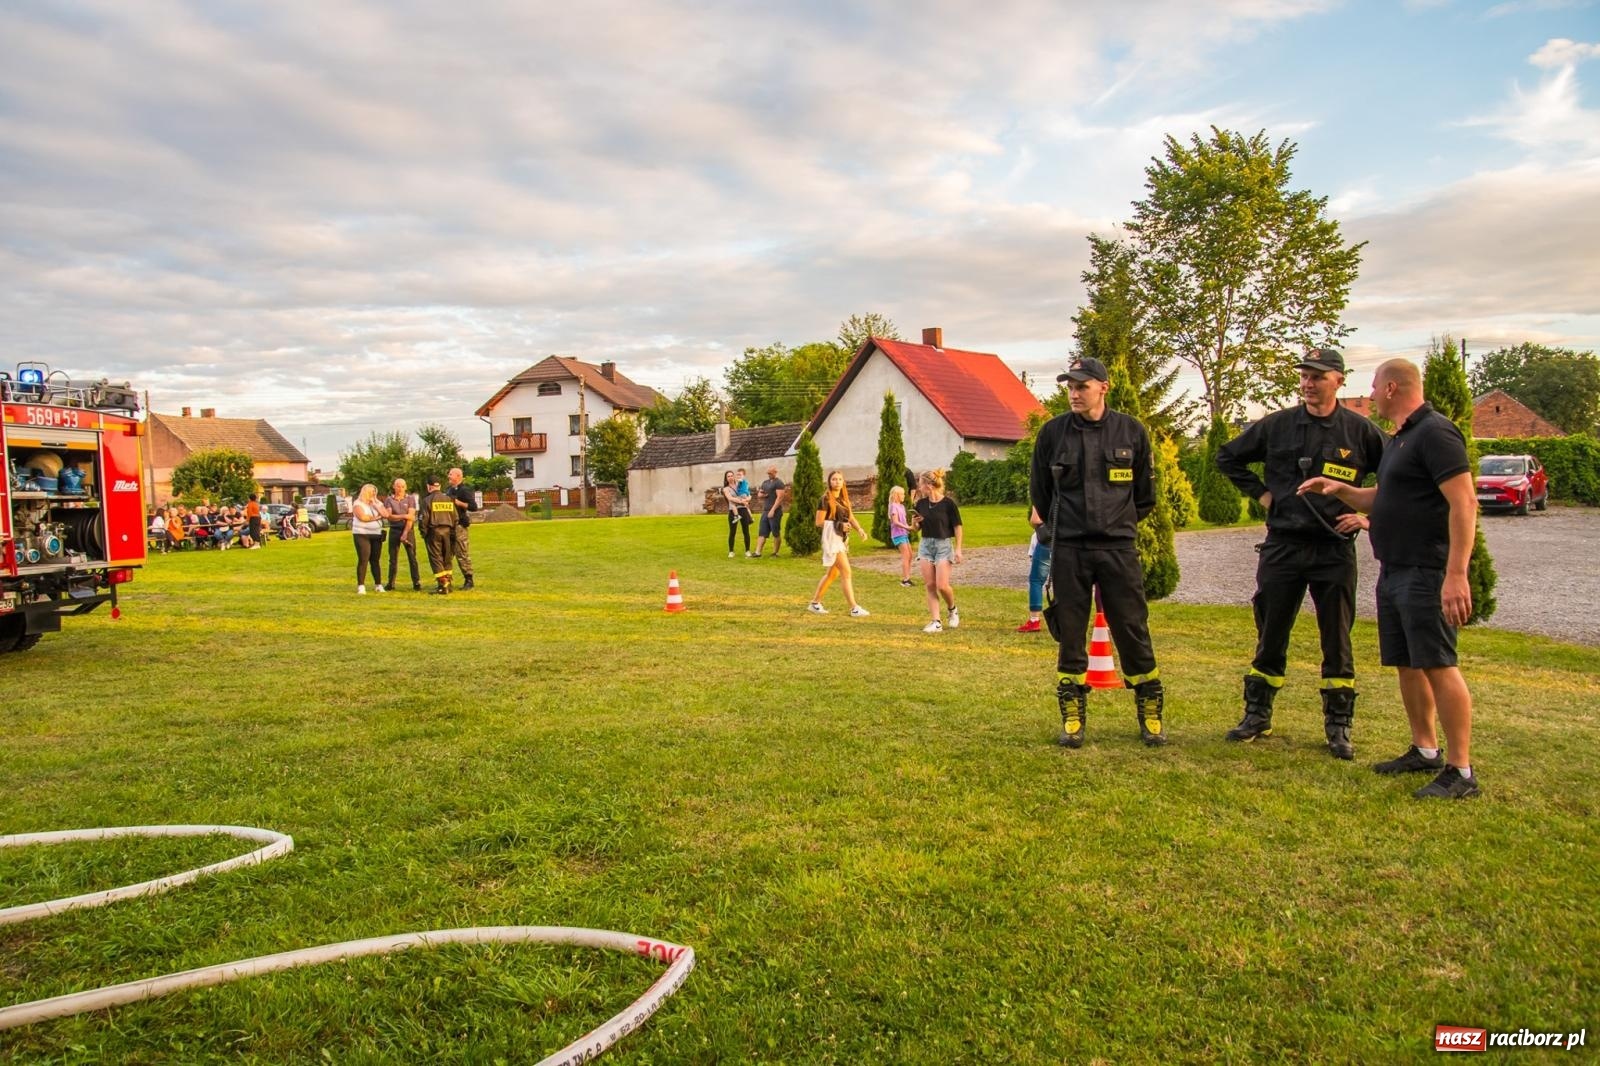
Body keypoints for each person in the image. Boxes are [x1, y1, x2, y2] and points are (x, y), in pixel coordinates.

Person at [1299, 358, 1482, 799]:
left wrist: (1455, 574)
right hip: (1395, 569)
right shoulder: (1403, 439)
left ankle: (1461, 771)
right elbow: (1385, 498)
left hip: (1426, 571)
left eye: (1376, 387)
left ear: (1394, 387)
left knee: (1439, 664)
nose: (1372, 394)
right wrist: (1339, 488)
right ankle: (1425, 748)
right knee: (1408, 663)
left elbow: (1465, 502)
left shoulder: (1436, 433)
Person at [1215, 348, 1387, 759]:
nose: (1309, 383)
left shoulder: (1360, 432)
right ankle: (1257, 715)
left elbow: (1398, 480)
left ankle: (1338, 726)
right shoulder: (1277, 426)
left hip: (1334, 550)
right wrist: (1261, 493)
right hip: (1283, 546)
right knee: (1271, 633)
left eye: (1318, 376)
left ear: (1339, 381)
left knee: (1337, 639)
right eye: (1305, 376)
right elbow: (1227, 456)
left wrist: (1368, 519)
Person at [1029, 356, 1165, 748]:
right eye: (1069, 386)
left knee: (1132, 628)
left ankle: (1150, 710)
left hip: (1118, 549)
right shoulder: (1053, 434)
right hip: (1070, 548)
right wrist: (1057, 530)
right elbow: (1040, 490)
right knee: (1071, 633)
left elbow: (1144, 497)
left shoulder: (1131, 431)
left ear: (1103, 387)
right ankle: (1073, 717)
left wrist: (1115, 525)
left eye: (1081, 386)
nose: (1073, 393)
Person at [808, 470, 870, 617]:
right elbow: (819, 522)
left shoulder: (844, 500)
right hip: (832, 539)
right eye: (834, 479)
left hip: (841, 539)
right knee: (846, 572)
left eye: (840, 479)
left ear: (843, 482)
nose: (837, 482)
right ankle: (854, 608)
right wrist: (839, 525)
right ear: (829, 482)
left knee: (832, 574)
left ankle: (815, 603)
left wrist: (859, 529)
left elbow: (851, 517)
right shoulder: (825, 499)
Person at [911, 469, 963, 632]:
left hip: (943, 545)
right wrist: (915, 522)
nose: (918, 486)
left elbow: (957, 527)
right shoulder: (920, 504)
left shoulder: (948, 504)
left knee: (942, 585)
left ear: (928, 484)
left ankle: (952, 609)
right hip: (926, 545)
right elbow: (915, 529)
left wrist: (959, 549)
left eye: (920, 483)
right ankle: (936, 621)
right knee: (930, 585)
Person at [419, 475, 460, 594]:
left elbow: (423, 519)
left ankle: (443, 585)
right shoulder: (448, 499)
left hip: (434, 532)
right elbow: (455, 518)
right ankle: (448, 583)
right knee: (447, 557)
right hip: (448, 531)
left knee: (436, 558)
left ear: (428, 486)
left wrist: (424, 533)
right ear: (439, 486)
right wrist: (453, 532)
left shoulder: (427, 500)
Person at [382, 478, 422, 591]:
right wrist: (404, 516)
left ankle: (416, 582)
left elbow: (411, 518)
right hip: (394, 530)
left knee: (412, 557)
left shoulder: (411, 499)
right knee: (393, 558)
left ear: (406, 487)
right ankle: (391, 583)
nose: (400, 489)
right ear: (394, 487)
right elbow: (389, 516)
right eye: (398, 486)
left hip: (408, 530)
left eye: (402, 486)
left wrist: (405, 533)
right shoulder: (389, 500)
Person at [1017, 506, 1050, 633]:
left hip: (1047, 541)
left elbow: (1035, 520)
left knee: (1036, 580)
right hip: (1066, 542)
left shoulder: (1042, 492)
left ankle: (1034, 619)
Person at [350, 484, 387, 593]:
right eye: (371, 492)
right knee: (364, 559)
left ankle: (378, 584)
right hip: (362, 534)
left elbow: (386, 514)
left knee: (375, 560)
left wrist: (376, 505)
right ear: (365, 492)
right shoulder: (358, 504)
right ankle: (361, 585)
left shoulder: (377, 503)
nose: (373, 494)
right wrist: (377, 517)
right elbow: (363, 518)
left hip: (376, 534)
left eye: (375, 492)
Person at [445, 467, 478, 590]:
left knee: (462, 553)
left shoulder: (464, 490)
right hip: (449, 526)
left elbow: (473, 507)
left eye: (450, 474)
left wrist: (458, 503)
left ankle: (469, 579)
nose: (448, 476)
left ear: (458, 476)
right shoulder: (448, 490)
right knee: (447, 554)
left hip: (460, 526)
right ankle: (446, 580)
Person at [755, 465, 786, 557]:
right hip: (765, 510)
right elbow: (760, 494)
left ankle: (775, 553)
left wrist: (772, 510)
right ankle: (757, 552)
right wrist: (763, 495)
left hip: (775, 511)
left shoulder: (779, 483)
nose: (769, 475)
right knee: (762, 532)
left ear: (775, 472)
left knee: (775, 533)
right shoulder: (765, 482)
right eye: (768, 473)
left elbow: (780, 498)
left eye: (771, 473)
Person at [722, 470, 753, 558]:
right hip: (733, 511)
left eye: (732, 475)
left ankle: (747, 550)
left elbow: (749, 494)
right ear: (726, 478)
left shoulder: (740, 484)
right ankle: (731, 551)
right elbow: (730, 498)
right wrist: (741, 501)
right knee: (732, 532)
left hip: (743, 509)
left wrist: (747, 499)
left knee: (746, 531)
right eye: (728, 476)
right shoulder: (726, 489)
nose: (730, 477)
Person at [887, 485, 913, 586]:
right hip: (898, 534)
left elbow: (903, 521)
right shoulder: (893, 506)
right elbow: (895, 522)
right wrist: (907, 527)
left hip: (904, 533)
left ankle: (907, 577)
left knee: (910, 555)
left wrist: (908, 527)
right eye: (901, 494)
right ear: (896, 495)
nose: (903, 496)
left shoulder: (901, 506)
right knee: (906, 556)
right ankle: (905, 580)